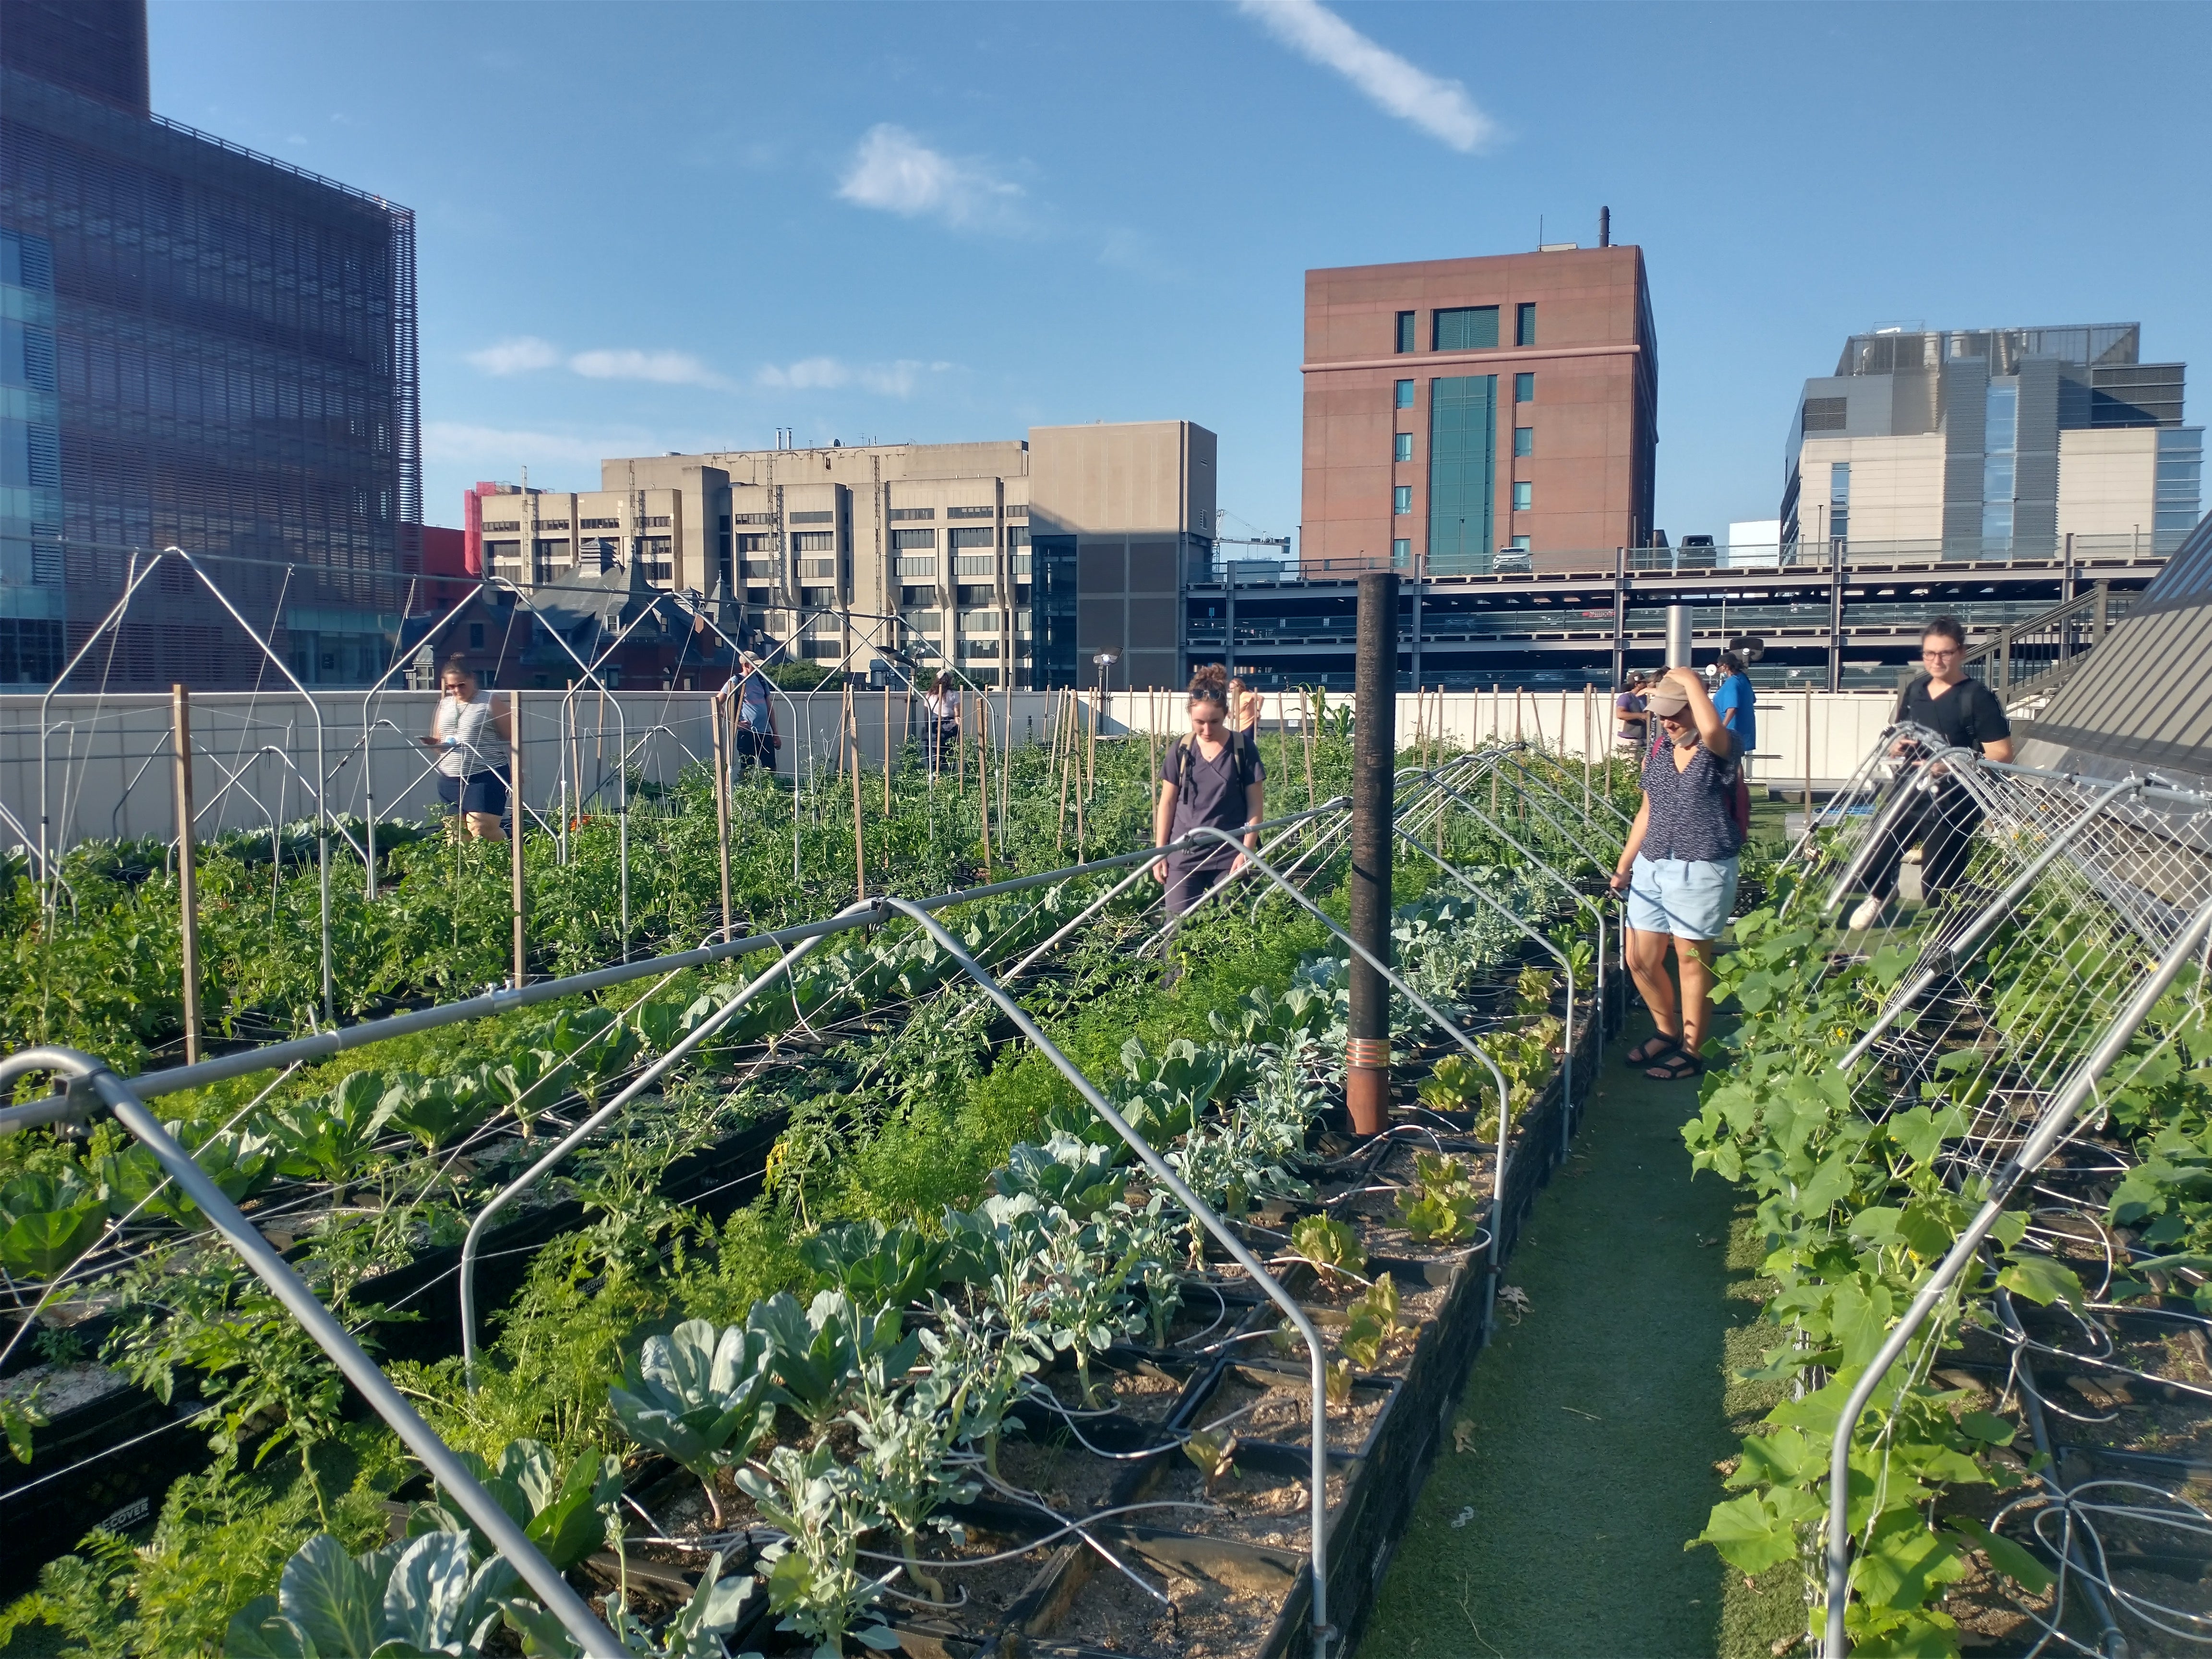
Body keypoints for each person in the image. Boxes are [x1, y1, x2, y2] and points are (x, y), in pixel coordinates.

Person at [1609, 666, 1743, 1081]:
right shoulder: (1660, 752)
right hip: (1653, 864)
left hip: (1700, 866)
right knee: (1639, 959)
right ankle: (1666, 1031)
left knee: (1690, 963)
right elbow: (1647, 811)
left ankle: (1692, 1050)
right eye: (1662, 713)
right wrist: (1624, 865)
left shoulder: (1720, 748)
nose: (1667, 721)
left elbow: (1712, 728)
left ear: (1696, 709)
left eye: (1677, 713)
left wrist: (1692, 683)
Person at [1847, 616, 2014, 930]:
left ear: (1961, 652)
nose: (1936, 661)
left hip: (1953, 802)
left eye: (1945, 653)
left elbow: (2002, 753)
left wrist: (1951, 762)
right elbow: (1898, 732)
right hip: (1907, 792)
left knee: (1938, 885)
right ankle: (1883, 893)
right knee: (1871, 857)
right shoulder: (1915, 690)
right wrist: (1897, 746)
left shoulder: (1976, 697)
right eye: (1929, 654)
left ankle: (1954, 944)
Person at [1152, 665, 1266, 922]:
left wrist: (1246, 853)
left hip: (1229, 854)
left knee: (1229, 930)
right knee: (1177, 928)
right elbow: (1167, 803)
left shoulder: (1243, 749)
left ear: (1226, 713)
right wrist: (1160, 853)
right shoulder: (1181, 749)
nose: (1206, 730)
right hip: (1184, 852)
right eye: (1199, 722)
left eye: (1214, 722)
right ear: (1190, 717)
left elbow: (1255, 807)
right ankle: (1178, 966)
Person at [421, 657, 512, 841]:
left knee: (481, 829)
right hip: (450, 778)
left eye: (461, 685)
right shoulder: (445, 704)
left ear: (472, 679)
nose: (456, 691)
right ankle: (464, 870)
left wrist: (519, 771)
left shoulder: (490, 701)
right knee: (456, 836)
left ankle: (508, 865)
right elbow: (440, 739)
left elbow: (512, 738)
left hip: (485, 774)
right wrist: (434, 743)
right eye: (451, 687)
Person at [716, 653, 778, 775]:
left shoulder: (760, 680)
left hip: (764, 731)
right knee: (747, 767)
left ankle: (770, 790)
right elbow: (717, 702)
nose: (757, 668)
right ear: (745, 665)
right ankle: (746, 791)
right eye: (754, 665)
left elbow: (769, 707)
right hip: (747, 732)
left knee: (771, 766)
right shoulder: (736, 681)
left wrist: (776, 734)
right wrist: (735, 723)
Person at [1710, 651, 1757, 778]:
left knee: (1732, 762)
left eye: (1719, 666)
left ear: (1725, 666)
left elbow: (1732, 708)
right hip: (1744, 728)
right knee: (1736, 761)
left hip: (1732, 728)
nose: (1718, 669)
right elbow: (1752, 699)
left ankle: (1737, 789)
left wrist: (1722, 728)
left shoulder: (1732, 683)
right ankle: (1738, 789)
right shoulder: (1743, 679)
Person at [921, 671, 959, 773]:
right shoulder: (953, 694)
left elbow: (926, 714)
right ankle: (949, 772)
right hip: (949, 725)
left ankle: (935, 773)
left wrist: (927, 726)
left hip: (934, 725)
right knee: (950, 750)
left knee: (933, 751)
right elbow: (957, 714)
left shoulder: (929, 694)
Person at [1615, 672, 1651, 754]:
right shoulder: (1625, 697)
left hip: (1642, 738)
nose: (1646, 684)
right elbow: (1620, 714)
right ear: (1637, 684)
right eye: (1643, 682)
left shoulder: (1645, 698)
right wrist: (1640, 715)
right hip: (1629, 739)